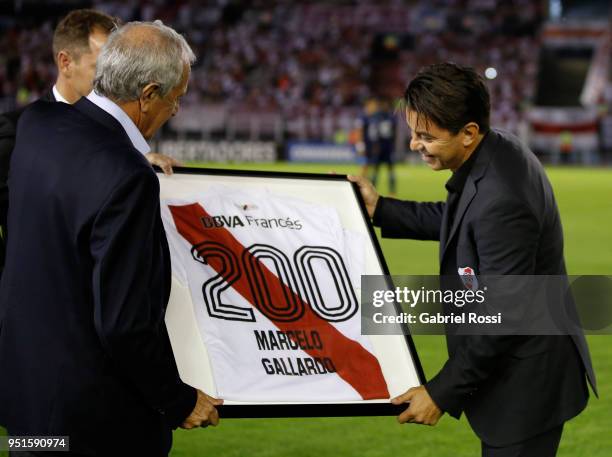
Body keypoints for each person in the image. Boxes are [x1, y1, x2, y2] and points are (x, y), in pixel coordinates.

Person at [350, 62, 596, 456]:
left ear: (468, 133)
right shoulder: (496, 149)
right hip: (520, 368)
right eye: (413, 132)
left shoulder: (503, 197)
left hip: (526, 385)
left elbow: (503, 316)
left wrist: (440, 393)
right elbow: (459, 218)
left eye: (426, 136)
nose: (414, 144)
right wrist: (380, 208)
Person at [0, 21, 221, 457]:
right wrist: (177, 400)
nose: (172, 113)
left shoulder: (37, 124)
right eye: (175, 101)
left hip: (28, 407)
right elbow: (124, 323)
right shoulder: (128, 176)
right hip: (95, 425)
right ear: (148, 94)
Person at [0, 9, 180, 277]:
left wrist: (129, 160)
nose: (113, 75)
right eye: (102, 66)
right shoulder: (19, 129)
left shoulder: (118, 146)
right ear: (65, 63)